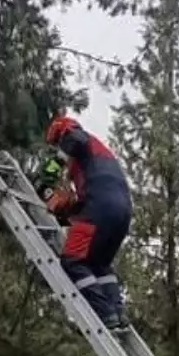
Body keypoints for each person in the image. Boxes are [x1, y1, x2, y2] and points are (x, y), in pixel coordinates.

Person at [43, 115, 132, 328]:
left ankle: (105, 312)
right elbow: (88, 200)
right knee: (99, 264)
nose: (59, 147)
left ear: (61, 132)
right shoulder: (96, 158)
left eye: (57, 142)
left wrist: (49, 173)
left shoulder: (79, 138)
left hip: (100, 207)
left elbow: (74, 137)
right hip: (122, 212)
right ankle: (118, 311)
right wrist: (66, 210)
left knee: (71, 261)